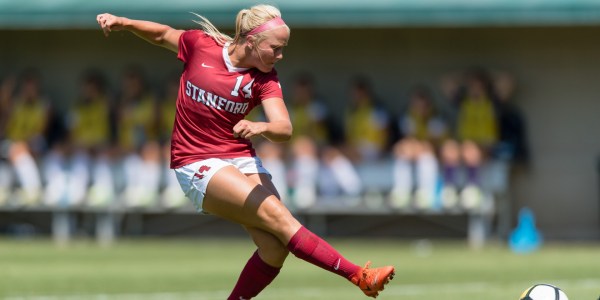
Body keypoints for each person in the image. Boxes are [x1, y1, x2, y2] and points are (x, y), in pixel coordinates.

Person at [96, 4, 394, 299]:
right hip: (196, 161)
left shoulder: (265, 78)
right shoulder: (201, 45)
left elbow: (284, 128)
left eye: (283, 48)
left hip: (240, 156)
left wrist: (260, 127)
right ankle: (358, 276)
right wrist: (124, 22)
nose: (280, 55)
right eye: (275, 48)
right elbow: (163, 35)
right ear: (251, 41)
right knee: (279, 216)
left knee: (275, 248)